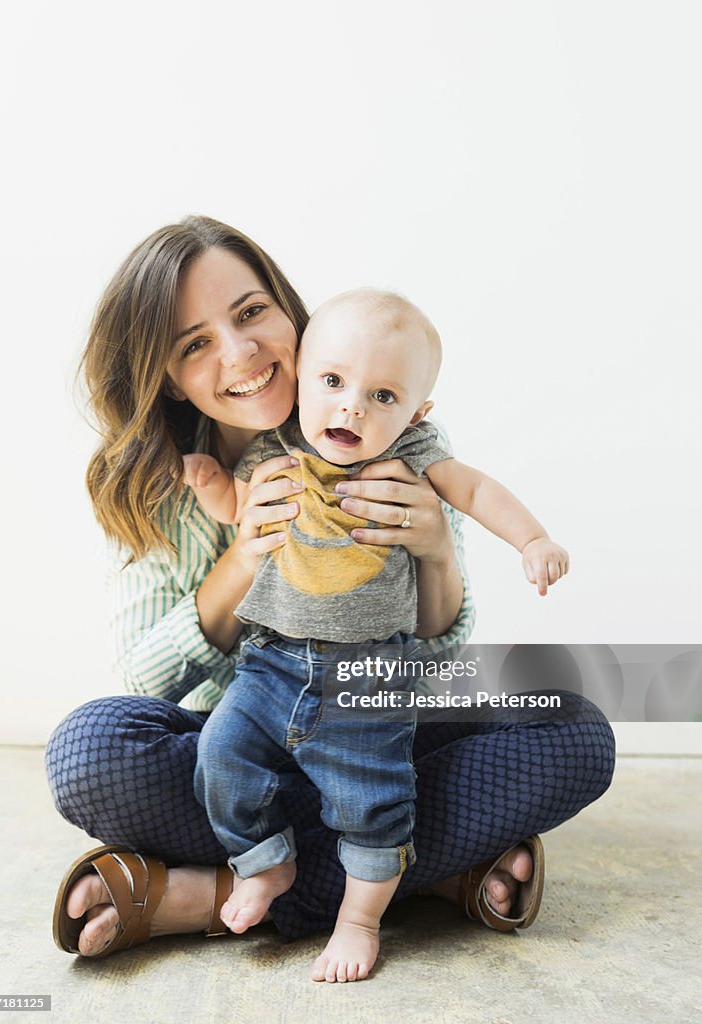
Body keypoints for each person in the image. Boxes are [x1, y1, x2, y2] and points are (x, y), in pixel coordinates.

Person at [46, 215, 615, 982]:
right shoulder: (164, 483)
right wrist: (245, 555)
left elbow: (438, 655)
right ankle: (413, 872)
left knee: (572, 723)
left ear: (289, 312)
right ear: (166, 375)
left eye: (250, 313)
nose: (241, 352)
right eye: (195, 343)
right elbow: (149, 680)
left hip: (378, 705)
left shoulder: (379, 419)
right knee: (90, 751)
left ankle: (206, 895)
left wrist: (436, 551)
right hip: (248, 741)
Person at [187, 287, 570, 981]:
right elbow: (240, 513)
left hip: (371, 675)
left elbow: (479, 493)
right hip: (268, 664)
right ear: (301, 376)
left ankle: (358, 919)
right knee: (218, 755)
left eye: (384, 396)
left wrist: (532, 538)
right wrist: (215, 488)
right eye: (332, 382)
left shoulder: (418, 455)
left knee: (374, 803)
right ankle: (264, 864)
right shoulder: (275, 445)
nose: (352, 406)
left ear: (418, 413)